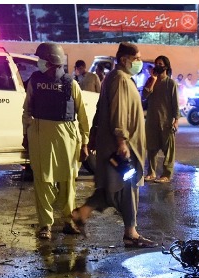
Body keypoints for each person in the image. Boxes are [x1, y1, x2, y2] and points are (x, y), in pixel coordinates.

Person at [71, 42, 156, 248]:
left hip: (119, 144)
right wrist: (122, 140)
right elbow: (119, 111)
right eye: (137, 58)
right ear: (125, 59)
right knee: (126, 186)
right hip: (122, 147)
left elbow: (101, 109)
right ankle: (130, 233)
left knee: (113, 188)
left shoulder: (119, 78)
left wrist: (95, 136)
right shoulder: (120, 79)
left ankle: (81, 214)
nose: (139, 62)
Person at [22, 42, 90, 240]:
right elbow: (27, 110)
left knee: (67, 182)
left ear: (52, 62)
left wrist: (85, 142)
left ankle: (69, 221)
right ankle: (45, 225)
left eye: (42, 60)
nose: (39, 63)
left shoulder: (71, 83)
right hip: (40, 135)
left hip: (66, 137)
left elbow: (82, 116)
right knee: (43, 182)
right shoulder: (35, 81)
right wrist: (25, 135)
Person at [144, 55, 179, 183]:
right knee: (151, 148)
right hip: (152, 120)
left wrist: (176, 120)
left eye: (160, 63)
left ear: (166, 66)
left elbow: (175, 104)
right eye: (156, 63)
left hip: (166, 121)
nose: (157, 65)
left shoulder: (171, 83)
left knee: (168, 149)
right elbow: (145, 95)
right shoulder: (151, 80)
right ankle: (151, 172)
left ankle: (166, 174)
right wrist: (153, 79)